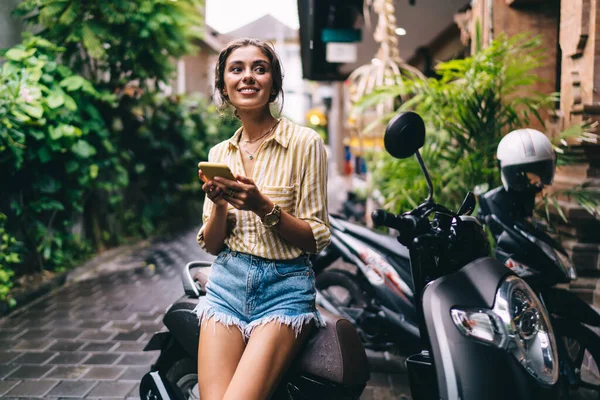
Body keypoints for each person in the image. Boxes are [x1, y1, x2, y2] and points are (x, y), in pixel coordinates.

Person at [194, 37, 330, 400]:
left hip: (283, 291)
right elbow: (211, 244)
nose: (248, 77)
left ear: (274, 84)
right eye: (236, 69)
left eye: (260, 68)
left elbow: (315, 238)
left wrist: (261, 206)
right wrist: (221, 204)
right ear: (224, 87)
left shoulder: (305, 143)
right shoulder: (219, 152)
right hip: (226, 285)